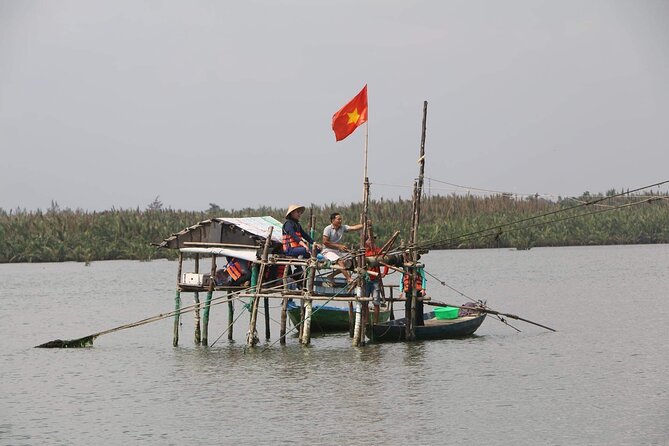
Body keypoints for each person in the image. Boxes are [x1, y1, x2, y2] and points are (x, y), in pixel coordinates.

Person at [321, 212, 364, 283]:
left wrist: (364, 224)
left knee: (347, 264)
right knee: (340, 261)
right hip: (327, 251)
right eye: (339, 219)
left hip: (336, 251)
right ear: (333, 220)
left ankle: (331, 276)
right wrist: (339, 246)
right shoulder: (328, 229)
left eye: (341, 219)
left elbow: (353, 228)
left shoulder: (342, 227)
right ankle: (349, 279)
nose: (340, 221)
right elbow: (325, 242)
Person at [282, 204, 316, 287]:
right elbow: (294, 236)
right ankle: (303, 260)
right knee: (307, 250)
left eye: (300, 212)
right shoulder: (288, 224)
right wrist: (304, 245)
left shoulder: (297, 224)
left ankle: (303, 268)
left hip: (297, 249)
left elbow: (305, 235)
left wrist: (315, 243)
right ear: (292, 213)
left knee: (316, 250)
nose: (299, 214)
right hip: (289, 249)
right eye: (297, 212)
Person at [364, 236, 388, 323]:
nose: (371, 242)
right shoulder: (364, 252)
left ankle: (375, 322)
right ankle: (366, 322)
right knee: (365, 302)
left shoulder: (378, 251)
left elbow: (386, 261)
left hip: (375, 280)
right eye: (369, 240)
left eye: (372, 240)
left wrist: (384, 273)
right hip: (366, 280)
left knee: (376, 302)